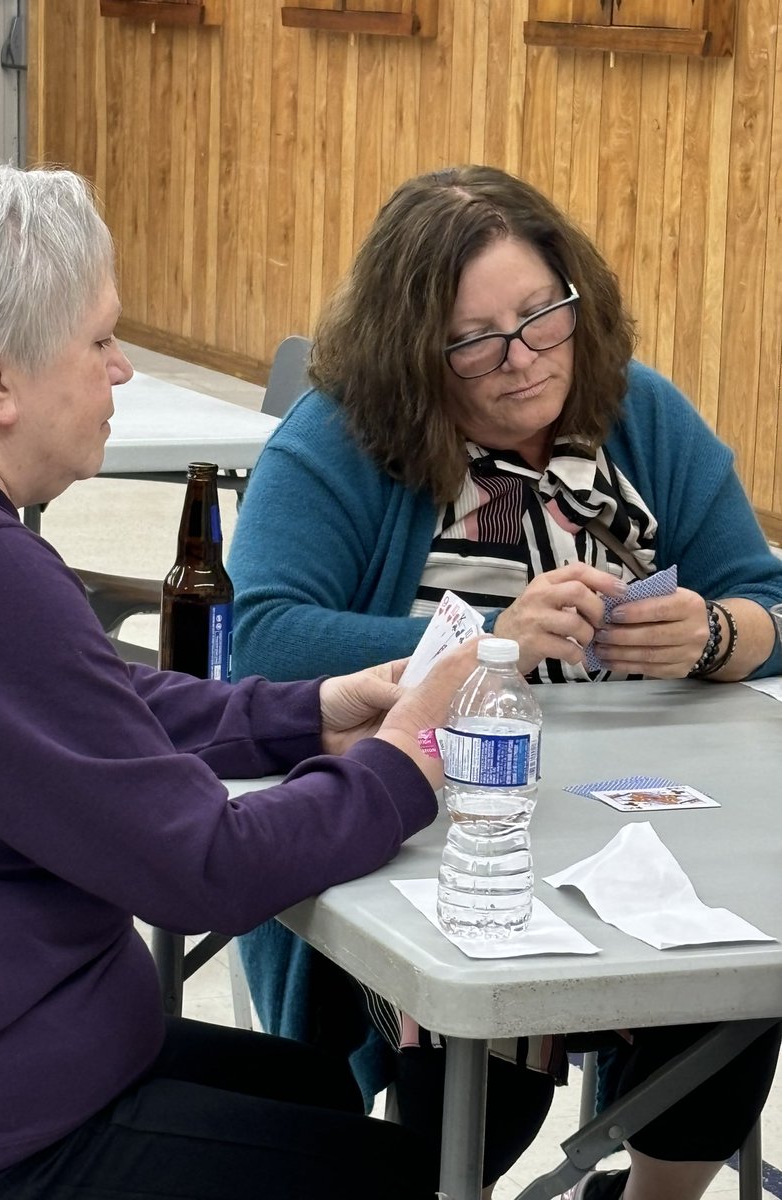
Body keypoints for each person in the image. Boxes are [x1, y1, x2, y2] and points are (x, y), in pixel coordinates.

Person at [0, 157, 485, 1200]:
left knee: (315, 1092)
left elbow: (73, 706)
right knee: (385, 1173)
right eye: (102, 339)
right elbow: (201, 868)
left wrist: (305, 714)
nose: (122, 370)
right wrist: (407, 761)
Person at [228, 165, 782, 1200]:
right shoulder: (343, 438)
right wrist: (490, 638)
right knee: (497, 1049)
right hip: (437, 825)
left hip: (651, 813)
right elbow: (263, 643)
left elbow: (766, 601)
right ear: (413, 349)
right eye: (478, 339)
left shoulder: (640, 413)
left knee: (740, 970)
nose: (523, 361)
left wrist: (714, 634)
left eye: (542, 317)